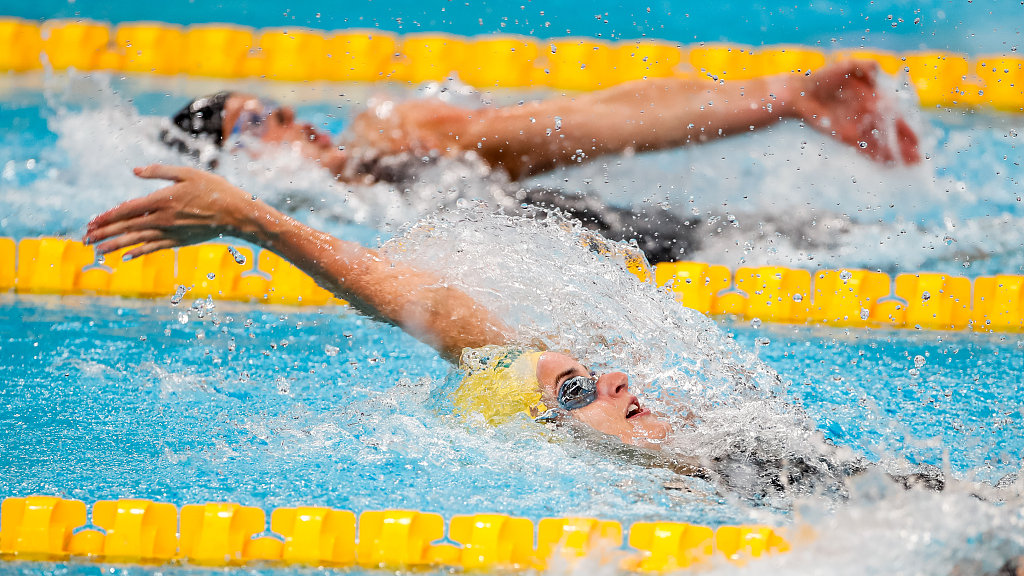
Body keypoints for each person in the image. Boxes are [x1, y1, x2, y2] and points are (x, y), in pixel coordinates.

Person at [161, 59, 920, 262]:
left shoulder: (391, 136)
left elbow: (584, 122)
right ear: (223, 164)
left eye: (282, 107)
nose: (294, 122)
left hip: (681, 248)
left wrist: (776, 96)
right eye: (259, 122)